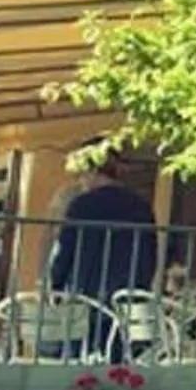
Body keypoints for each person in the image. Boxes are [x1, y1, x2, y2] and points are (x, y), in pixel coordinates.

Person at [47, 148, 160, 357]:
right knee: (120, 359)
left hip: (85, 293)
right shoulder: (140, 207)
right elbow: (149, 255)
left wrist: (55, 285)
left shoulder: (82, 205)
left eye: (81, 175)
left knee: (78, 357)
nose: (81, 182)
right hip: (126, 295)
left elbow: (64, 249)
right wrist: (141, 287)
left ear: (91, 171)